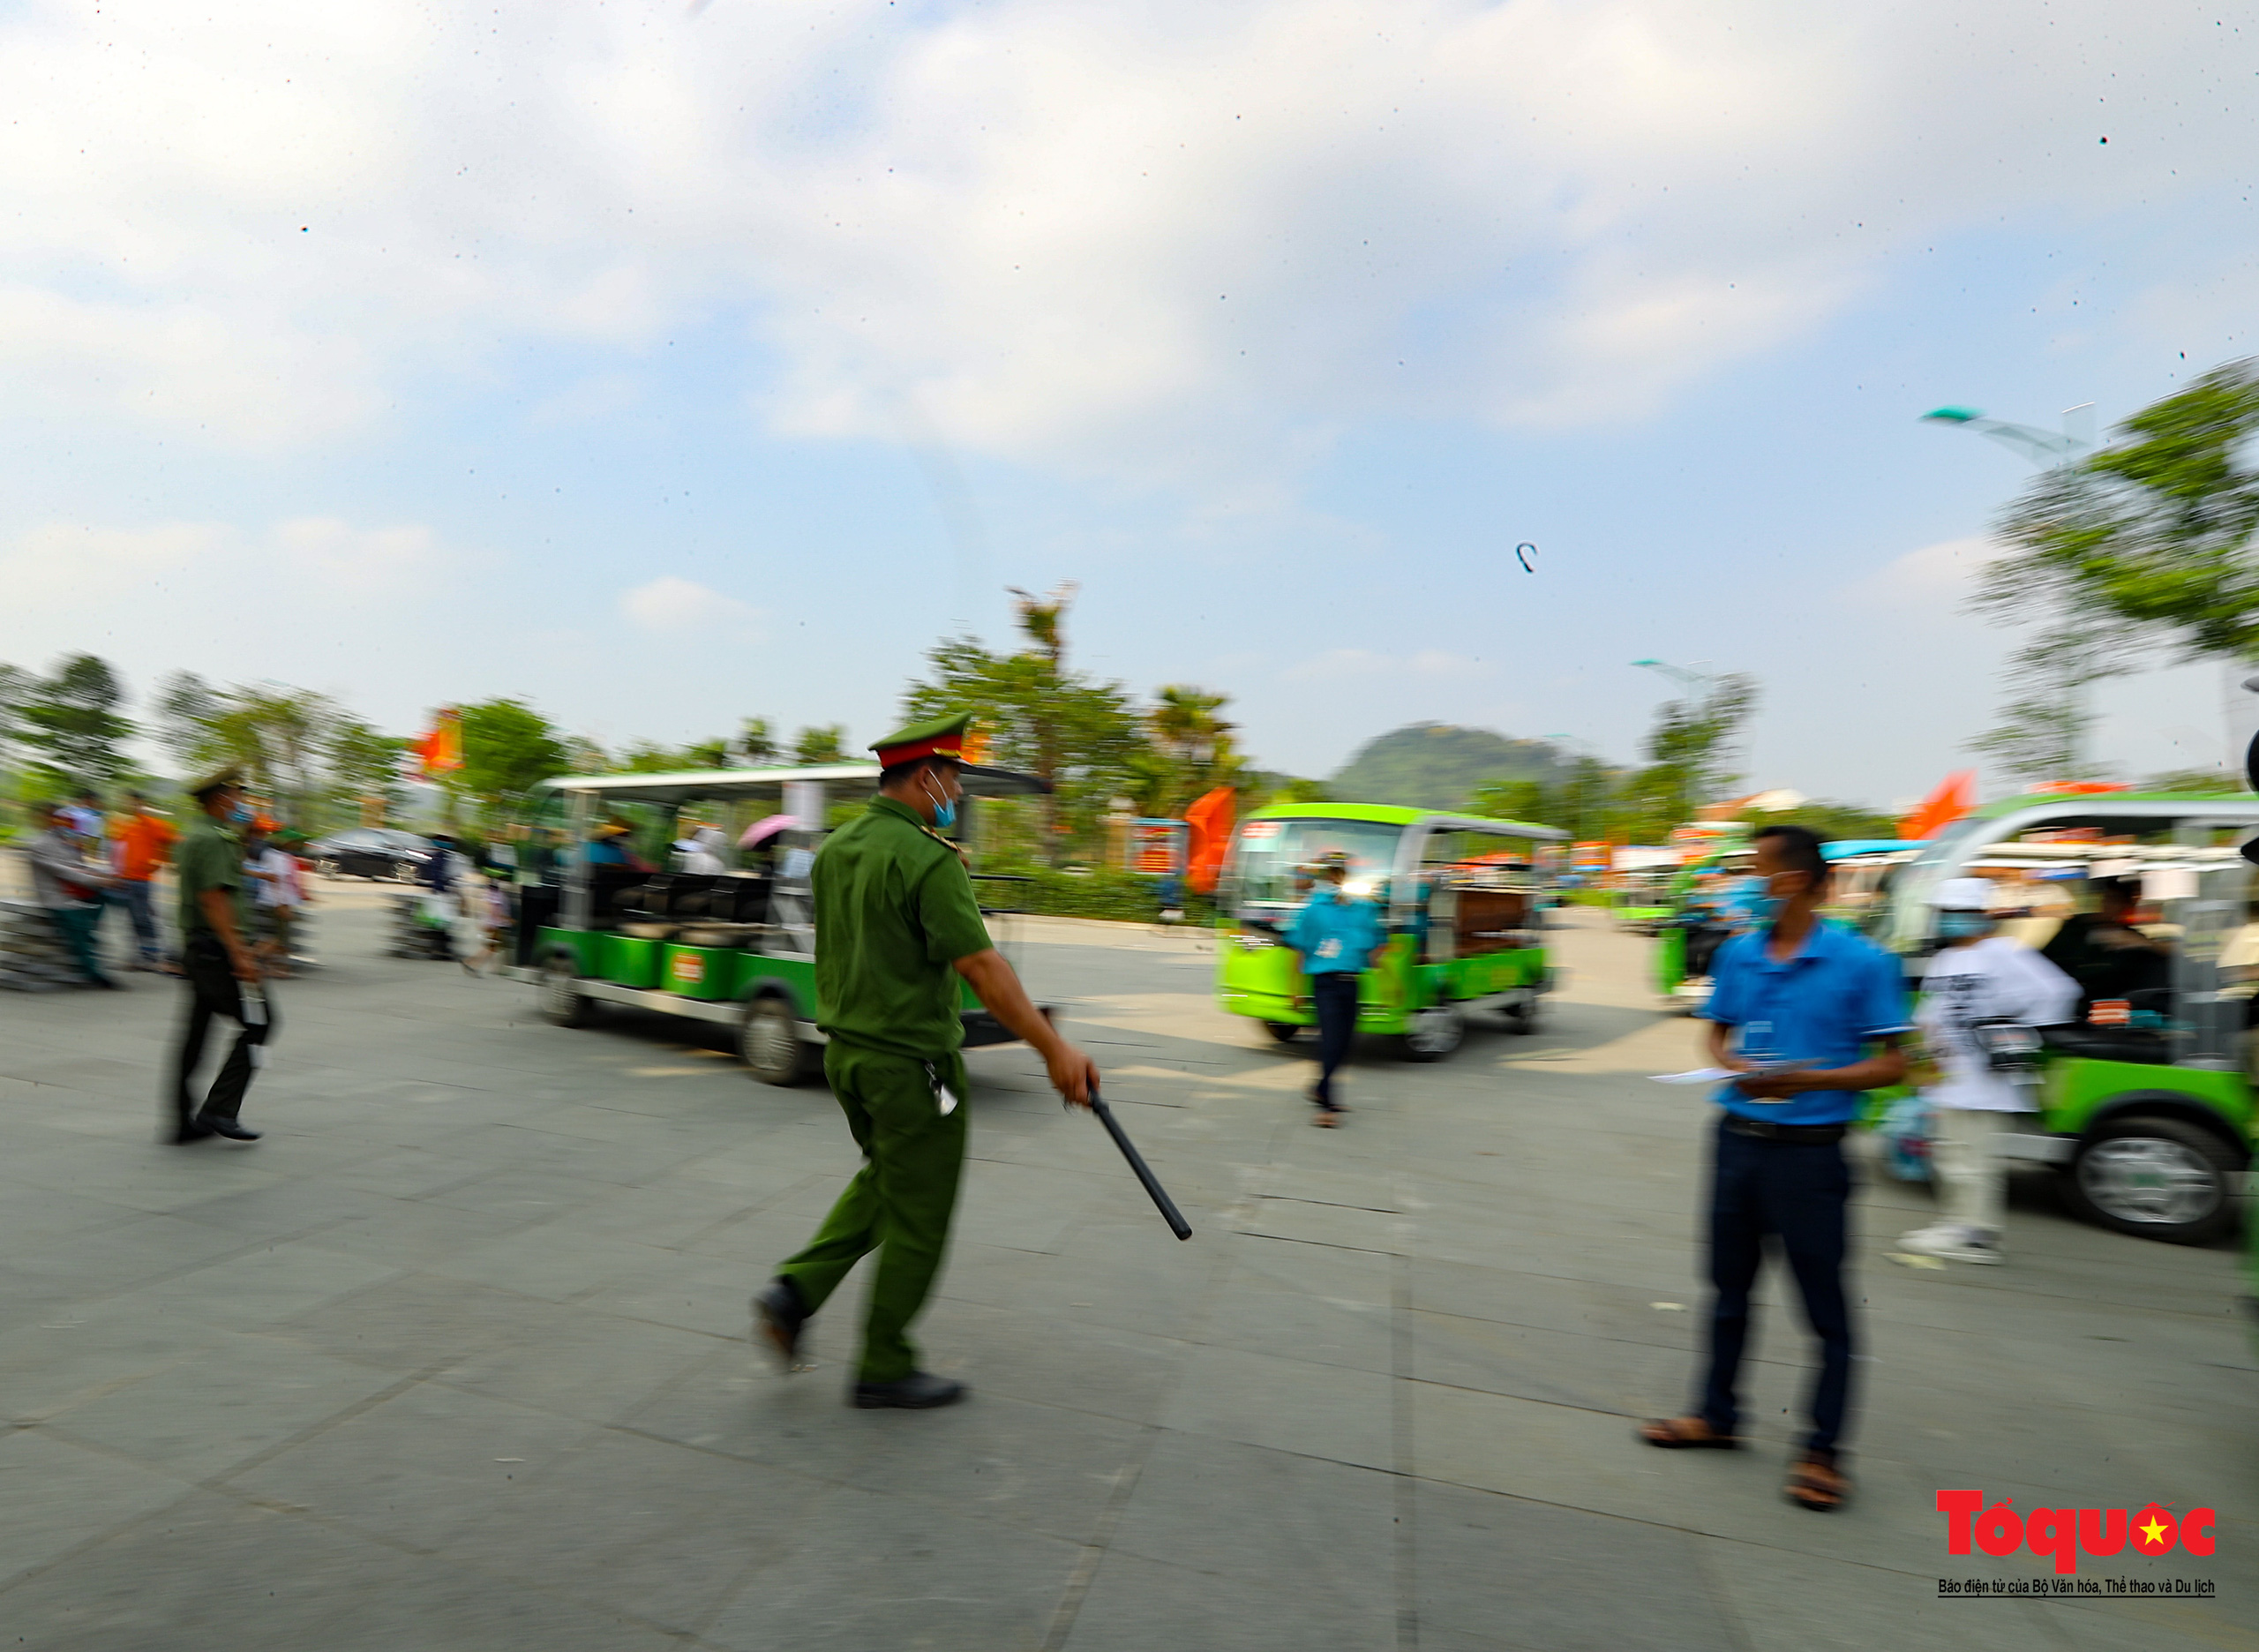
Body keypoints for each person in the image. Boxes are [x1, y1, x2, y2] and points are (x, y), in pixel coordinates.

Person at [751, 711, 1100, 1410]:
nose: (960, 793)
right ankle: (884, 1361)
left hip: (847, 1057)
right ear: (924, 777)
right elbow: (981, 967)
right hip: (916, 1067)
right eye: (955, 779)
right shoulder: (927, 859)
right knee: (922, 1209)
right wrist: (1054, 1047)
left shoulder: (837, 849)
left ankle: (793, 1293)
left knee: (890, 1179)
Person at [1637, 823, 1910, 1514]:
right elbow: (1718, 1033)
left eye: (1765, 872)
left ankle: (1823, 1452)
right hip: (1736, 1141)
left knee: (1824, 1310)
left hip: (1810, 1157)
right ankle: (1717, 1415)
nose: (1754, 884)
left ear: (1810, 884)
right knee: (1728, 1291)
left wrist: (1807, 1082)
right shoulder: (1737, 955)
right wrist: (1734, 1067)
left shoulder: (1862, 962)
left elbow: (1894, 1063)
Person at [1897, 879, 2080, 1265]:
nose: (1945, 921)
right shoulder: (1946, 958)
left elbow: (2057, 992)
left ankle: (1977, 1235)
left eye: (1953, 914)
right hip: (1949, 1075)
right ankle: (1957, 1225)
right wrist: (1923, 1055)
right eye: (1943, 913)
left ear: (1977, 916)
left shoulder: (2001, 952)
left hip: (1984, 1077)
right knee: (1951, 1157)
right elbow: (1934, 1011)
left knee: (1973, 1159)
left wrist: (2008, 1027)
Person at [169, 766, 273, 1145]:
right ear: (220, 798)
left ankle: (181, 1121)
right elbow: (213, 900)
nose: (241, 801)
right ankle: (219, 1108)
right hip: (216, 951)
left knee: (195, 1035)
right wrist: (240, 954)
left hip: (200, 948)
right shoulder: (212, 838)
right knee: (262, 1023)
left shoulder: (200, 834)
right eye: (237, 794)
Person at [1286, 849, 1384, 1126]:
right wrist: (1294, 989)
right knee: (1329, 1041)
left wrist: (1392, 984)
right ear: (1325, 877)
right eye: (1332, 873)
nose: (1336, 877)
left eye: (1340, 872)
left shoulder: (1363, 909)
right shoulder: (1314, 910)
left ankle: (1320, 1087)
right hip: (1325, 983)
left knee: (1346, 1043)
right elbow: (1299, 950)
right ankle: (1328, 1106)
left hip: (1351, 983)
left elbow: (1375, 948)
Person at [22, 801, 122, 987]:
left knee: (109, 895)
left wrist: (102, 875)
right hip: (58, 899)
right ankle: (94, 976)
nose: (66, 824)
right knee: (79, 935)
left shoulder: (67, 841)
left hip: (75, 893)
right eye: (62, 820)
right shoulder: (40, 845)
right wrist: (98, 880)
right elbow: (64, 871)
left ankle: (89, 929)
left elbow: (79, 866)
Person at [2040, 876, 2170, 1017]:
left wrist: (2144, 943)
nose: (2107, 905)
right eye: (2106, 899)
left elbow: (2173, 955)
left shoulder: (2132, 940)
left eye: (2116, 901)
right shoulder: (2074, 930)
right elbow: (2044, 963)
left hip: (2106, 1011)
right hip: (2066, 1004)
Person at [109, 790, 180, 973]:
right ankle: (138, 957)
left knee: (143, 919)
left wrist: (159, 863)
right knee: (132, 919)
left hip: (142, 880)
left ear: (141, 804)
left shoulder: (150, 823)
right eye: (127, 802)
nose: (130, 806)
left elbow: (171, 840)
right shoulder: (123, 824)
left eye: (134, 802)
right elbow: (117, 849)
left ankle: (151, 956)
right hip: (124, 879)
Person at [244, 825, 309, 977]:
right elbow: (276, 880)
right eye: (294, 841)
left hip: (277, 901)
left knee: (280, 938)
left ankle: (276, 968)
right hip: (277, 902)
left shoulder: (275, 855)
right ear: (286, 842)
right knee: (277, 939)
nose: (297, 844)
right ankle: (250, 959)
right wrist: (281, 905)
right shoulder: (278, 857)